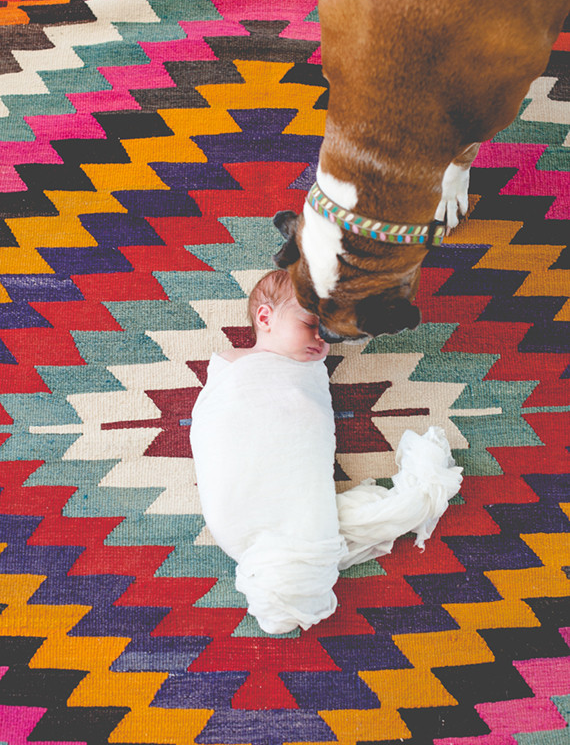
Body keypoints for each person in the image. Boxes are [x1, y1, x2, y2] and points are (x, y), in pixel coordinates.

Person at [190, 270, 462, 634]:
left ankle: (290, 569)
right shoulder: (232, 366)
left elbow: (306, 433)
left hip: (289, 485)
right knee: (307, 529)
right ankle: (291, 568)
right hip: (242, 496)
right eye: (310, 324)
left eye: (330, 331)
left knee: (309, 518)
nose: (321, 337)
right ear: (265, 318)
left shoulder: (309, 371)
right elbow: (216, 427)